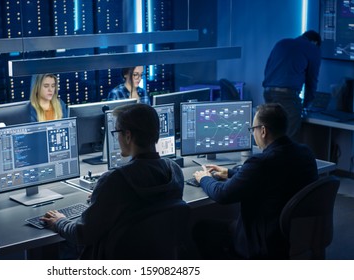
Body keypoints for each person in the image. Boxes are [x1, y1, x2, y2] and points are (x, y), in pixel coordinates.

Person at [41, 103, 185, 259]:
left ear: (128, 136)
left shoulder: (115, 180)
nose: (116, 137)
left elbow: (82, 234)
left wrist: (59, 221)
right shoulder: (174, 171)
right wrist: (104, 197)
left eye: (117, 132)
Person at [191, 103, 319, 259]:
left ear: (263, 131)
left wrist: (204, 178)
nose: (252, 134)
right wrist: (230, 172)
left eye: (253, 130)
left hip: (262, 242)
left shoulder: (261, 163)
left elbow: (222, 194)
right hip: (295, 236)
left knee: (201, 228)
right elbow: (271, 175)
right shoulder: (305, 153)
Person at [262, 30, 322, 141]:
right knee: (289, 140)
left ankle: (270, 157)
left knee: (271, 134)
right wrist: (306, 104)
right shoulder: (312, 48)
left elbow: (267, 69)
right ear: (315, 42)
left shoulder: (282, 43)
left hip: (268, 93)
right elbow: (311, 81)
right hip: (287, 97)